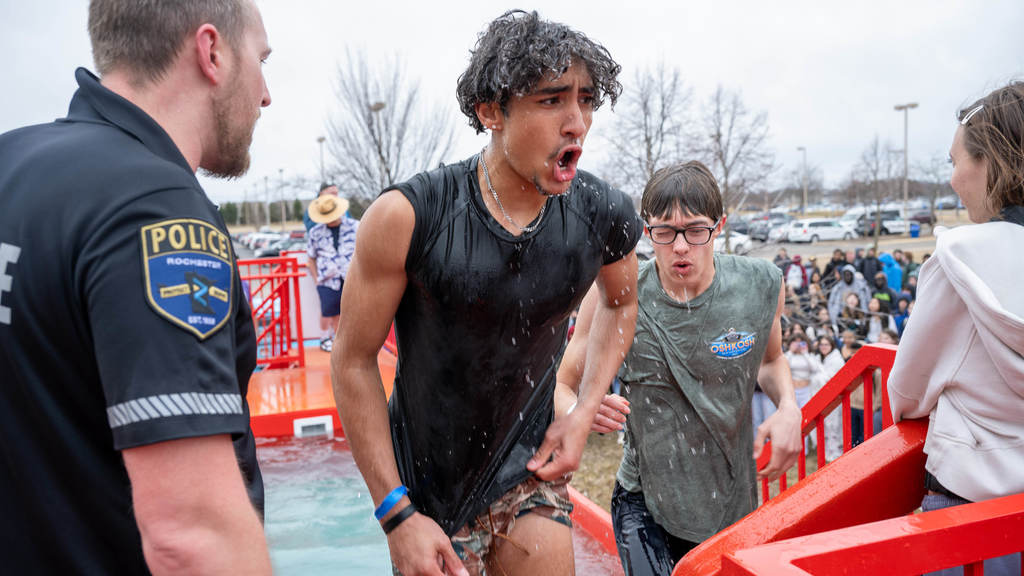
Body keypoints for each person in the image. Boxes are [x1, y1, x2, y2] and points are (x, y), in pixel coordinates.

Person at [331, 10, 641, 576]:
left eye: (588, 100)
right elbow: (351, 362)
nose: (577, 122)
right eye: (552, 100)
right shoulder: (409, 216)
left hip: (531, 479)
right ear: (491, 111)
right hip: (431, 497)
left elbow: (621, 304)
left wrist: (583, 411)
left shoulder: (602, 213)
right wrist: (395, 513)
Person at [0, 1, 272, 573]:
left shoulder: (11, 161)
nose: (266, 93)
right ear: (212, 51)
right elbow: (191, 537)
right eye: (261, 61)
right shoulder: (155, 209)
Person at [558, 161, 802, 575]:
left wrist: (789, 408)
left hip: (730, 500)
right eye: (665, 233)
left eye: (695, 230)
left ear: (719, 226)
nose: (681, 247)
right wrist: (578, 409)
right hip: (644, 501)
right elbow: (563, 383)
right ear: (646, 229)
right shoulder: (615, 295)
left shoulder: (761, 285)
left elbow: (771, 359)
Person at [889, 82, 1024, 576]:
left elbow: (906, 392)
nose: (952, 180)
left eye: (955, 162)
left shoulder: (958, 261)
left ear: (992, 164)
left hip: (973, 521)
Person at [306, 189, 358, 352]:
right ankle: (326, 339)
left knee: (350, 311)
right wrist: (317, 279)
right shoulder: (315, 232)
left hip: (352, 278)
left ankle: (343, 342)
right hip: (327, 279)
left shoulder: (356, 227)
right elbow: (311, 258)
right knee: (329, 311)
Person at [816, 336, 846, 461]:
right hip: (820, 397)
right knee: (826, 425)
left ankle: (836, 452)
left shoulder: (837, 360)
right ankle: (828, 450)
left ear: (832, 345)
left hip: (833, 398)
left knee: (834, 425)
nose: (823, 347)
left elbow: (833, 379)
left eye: (826, 344)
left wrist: (819, 375)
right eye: (821, 344)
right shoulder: (819, 359)